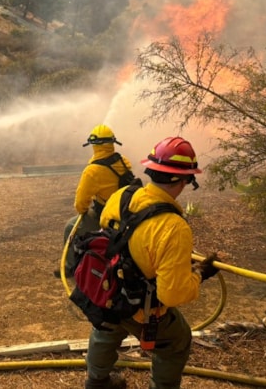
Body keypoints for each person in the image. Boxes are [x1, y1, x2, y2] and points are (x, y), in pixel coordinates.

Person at [83, 136, 220, 389]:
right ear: (185, 179)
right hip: (139, 306)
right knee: (177, 340)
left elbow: (111, 236)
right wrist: (200, 273)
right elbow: (172, 294)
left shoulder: (121, 196)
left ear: (151, 170)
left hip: (108, 290)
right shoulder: (173, 228)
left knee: (105, 329)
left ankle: (96, 382)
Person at [57, 124, 134, 278]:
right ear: (112, 143)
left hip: (105, 216)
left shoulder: (92, 171)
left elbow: (80, 204)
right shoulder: (123, 161)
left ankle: (70, 267)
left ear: (94, 146)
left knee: (70, 227)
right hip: (126, 212)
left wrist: (85, 210)